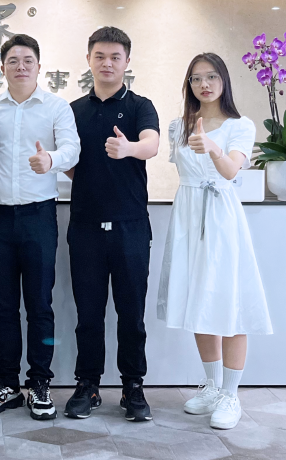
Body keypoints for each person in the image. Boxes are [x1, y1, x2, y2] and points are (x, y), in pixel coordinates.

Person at [157, 53, 272, 430]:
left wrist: (213, 147)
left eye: (211, 77)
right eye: (195, 79)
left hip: (221, 216)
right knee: (200, 300)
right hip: (188, 216)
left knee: (230, 303)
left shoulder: (240, 125)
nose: (204, 84)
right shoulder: (178, 126)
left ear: (224, 80)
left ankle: (231, 394)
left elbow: (230, 170)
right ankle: (211, 385)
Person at [0, 34, 80, 421]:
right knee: (3, 307)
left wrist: (50, 160)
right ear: (2, 67)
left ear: (39, 66)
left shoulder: (56, 107)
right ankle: (6, 383)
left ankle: (39, 384)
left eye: (28, 60)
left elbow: (72, 149)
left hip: (39, 217)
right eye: (13, 60)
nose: (21, 66)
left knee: (39, 306)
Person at [64, 26, 160, 423]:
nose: (107, 63)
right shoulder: (72, 110)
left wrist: (129, 148)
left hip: (130, 226)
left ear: (127, 62)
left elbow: (152, 144)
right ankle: (87, 385)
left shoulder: (140, 106)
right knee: (88, 314)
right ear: (88, 59)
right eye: (100, 56)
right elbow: (67, 161)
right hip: (85, 227)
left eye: (115, 57)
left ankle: (133, 386)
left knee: (131, 314)